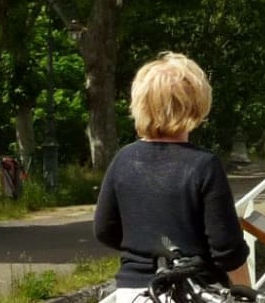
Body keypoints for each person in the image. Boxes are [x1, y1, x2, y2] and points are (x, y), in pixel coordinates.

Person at [95, 53, 247, 303]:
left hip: (132, 293)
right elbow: (227, 250)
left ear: (140, 103)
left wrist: (143, 248)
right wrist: (245, 293)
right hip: (192, 291)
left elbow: (104, 229)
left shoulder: (123, 159)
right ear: (196, 104)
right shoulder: (204, 165)